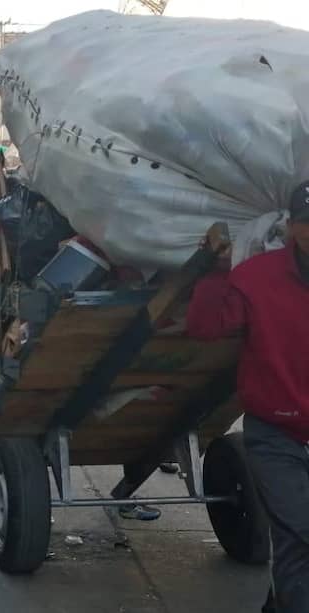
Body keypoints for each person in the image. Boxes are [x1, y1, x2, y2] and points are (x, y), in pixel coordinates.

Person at [188, 184, 309, 613]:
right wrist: (213, 269)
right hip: (277, 435)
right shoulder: (258, 277)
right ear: (293, 227)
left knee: (298, 547)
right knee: (301, 533)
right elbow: (205, 327)